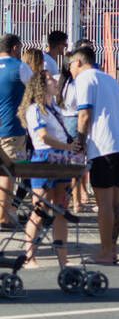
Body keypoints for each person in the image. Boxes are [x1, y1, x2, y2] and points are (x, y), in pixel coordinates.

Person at [71, 44, 119, 265]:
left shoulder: (85, 79)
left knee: (104, 202)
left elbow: (84, 114)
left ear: (78, 62)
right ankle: (112, 249)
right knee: (115, 201)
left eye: (70, 65)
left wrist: (79, 140)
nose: (70, 70)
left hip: (103, 145)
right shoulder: (110, 79)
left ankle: (106, 251)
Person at [20, 69, 74, 269]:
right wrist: (68, 147)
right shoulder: (35, 109)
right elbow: (42, 136)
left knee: (61, 209)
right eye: (50, 79)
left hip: (62, 160)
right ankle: (30, 256)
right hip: (44, 158)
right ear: (41, 86)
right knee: (39, 209)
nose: (54, 81)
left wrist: (70, 149)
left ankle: (63, 258)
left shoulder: (57, 109)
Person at [0, 35, 32, 226]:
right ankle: (4, 216)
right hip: (12, 128)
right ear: (15, 48)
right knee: (7, 173)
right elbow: (35, 90)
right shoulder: (20, 67)